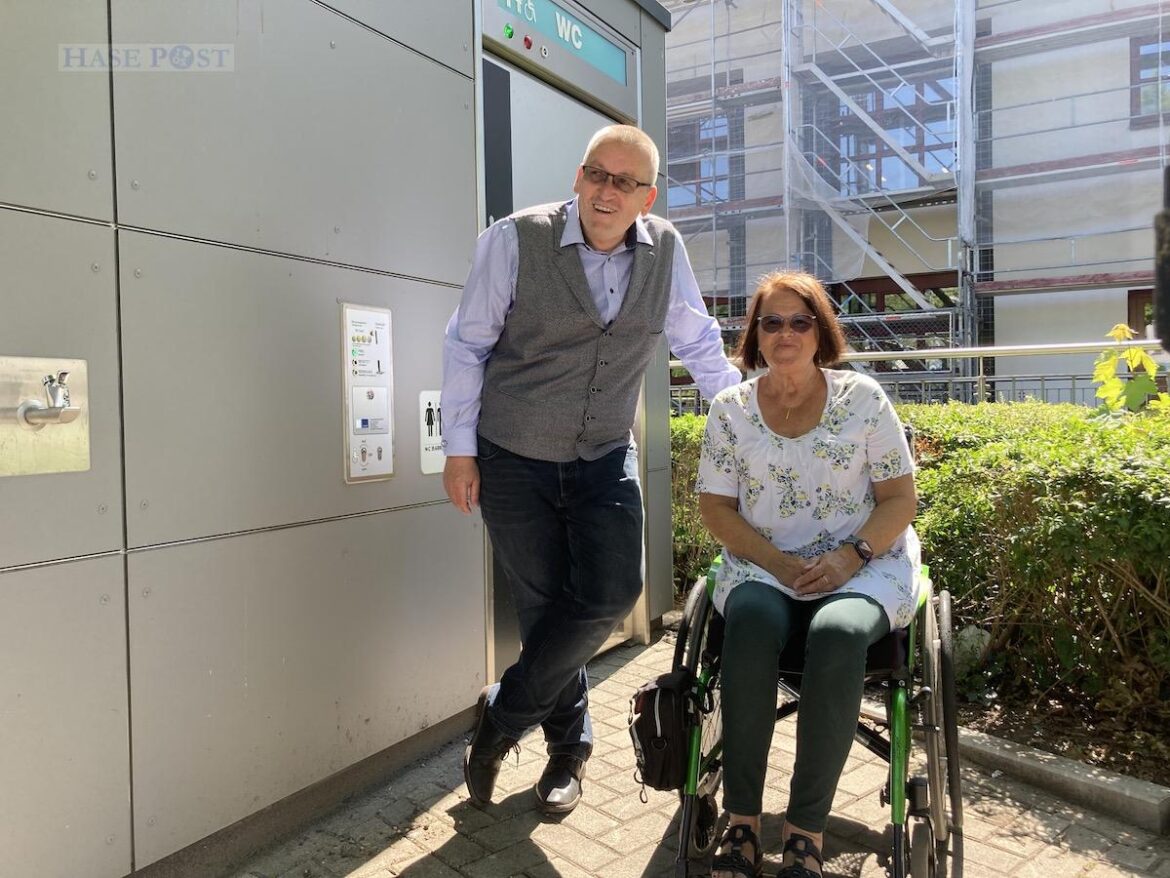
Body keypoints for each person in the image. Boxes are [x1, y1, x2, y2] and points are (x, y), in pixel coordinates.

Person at [441, 124, 742, 815]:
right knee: (547, 608)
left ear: (648, 195)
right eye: (597, 175)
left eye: (625, 181)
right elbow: (466, 346)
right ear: (579, 178)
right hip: (512, 454)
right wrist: (459, 449)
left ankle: (501, 718)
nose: (607, 191)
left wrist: (745, 418)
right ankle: (567, 752)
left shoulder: (665, 248)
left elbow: (697, 339)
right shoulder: (515, 240)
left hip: (605, 453)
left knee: (609, 595)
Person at [696, 271, 920, 877]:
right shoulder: (730, 410)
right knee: (747, 620)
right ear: (756, 336)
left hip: (863, 562)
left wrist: (849, 557)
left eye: (801, 320)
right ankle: (741, 820)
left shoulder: (864, 400)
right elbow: (715, 507)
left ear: (821, 331)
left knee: (839, 634)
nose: (787, 332)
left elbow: (900, 499)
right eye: (773, 321)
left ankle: (804, 830)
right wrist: (775, 562)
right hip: (766, 565)